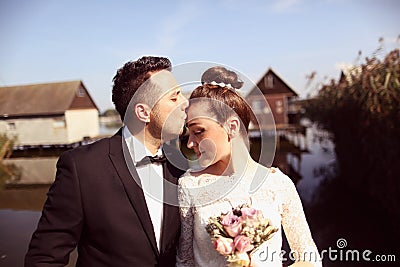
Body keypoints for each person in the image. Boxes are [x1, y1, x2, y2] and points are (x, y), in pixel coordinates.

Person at [25, 56, 189, 266]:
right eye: (174, 98)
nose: (185, 102)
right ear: (144, 112)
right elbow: (44, 258)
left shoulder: (181, 167)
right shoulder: (82, 168)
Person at [176, 66, 322, 267]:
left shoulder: (277, 184)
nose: (190, 143)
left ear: (232, 127)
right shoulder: (190, 186)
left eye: (198, 131)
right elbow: (185, 262)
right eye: (189, 133)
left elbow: (309, 257)